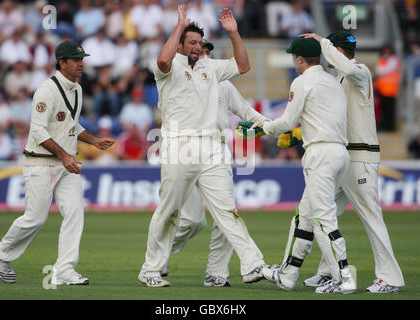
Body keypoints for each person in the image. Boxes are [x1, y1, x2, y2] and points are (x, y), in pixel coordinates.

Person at [138, 4, 267, 287]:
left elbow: (244, 66)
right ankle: (151, 269)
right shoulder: (169, 68)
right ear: (182, 44)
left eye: (200, 43)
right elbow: (162, 60)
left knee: (227, 211)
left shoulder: (212, 67)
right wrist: (179, 25)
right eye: (192, 42)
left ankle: (253, 265)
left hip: (212, 149)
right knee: (170, 210)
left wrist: (233, 33)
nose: (197, 47)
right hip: (179, 145)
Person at [0, 40, 116, 286]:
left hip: (66, 165)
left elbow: (71, 125)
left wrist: (94, 140)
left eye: (82, 59)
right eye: (76, 60)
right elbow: (38, 130)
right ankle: (1, 253)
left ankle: (64, 269)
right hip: (41, 163)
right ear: (62, 62)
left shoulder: (77, 89)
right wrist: (65, 155)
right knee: (35, 218)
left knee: (75, 213)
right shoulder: (46, 90)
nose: (81, 64)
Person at [296, 31, 405, 293]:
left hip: (362, 157)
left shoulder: (360, 72)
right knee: (326, 214)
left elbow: (345, 64)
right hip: (343, 157)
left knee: (370, 216)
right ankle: (327, 272)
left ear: (338, 51)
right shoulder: (339, 77)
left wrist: (323, 42)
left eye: (329, 52)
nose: (325, 58)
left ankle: (390, 278)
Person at [254, 37, 356, 294]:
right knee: (305, 216)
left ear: (299, 59)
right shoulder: (334, 82)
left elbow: (287, 121)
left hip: (320, 154)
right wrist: (300, 133)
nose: (293, 60)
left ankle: (343, 278)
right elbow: (322, 117)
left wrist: (263, 128)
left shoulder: (302, 82)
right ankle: (288, 274)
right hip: (340, 153)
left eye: (294, 57)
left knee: (322, 220)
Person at [164, 39, 270, 287]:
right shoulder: (180, 79)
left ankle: (216, 273)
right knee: (192, 220)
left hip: (216, 151)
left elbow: (246, 112)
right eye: (201, 52)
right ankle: (159, 257)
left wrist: (273, 127)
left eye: (208, 52)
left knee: (225, 215)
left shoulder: (224, 84)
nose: (204, 56)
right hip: (185, 151)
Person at [374, 44, 401, 131]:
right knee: (384, 110)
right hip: (382, 88)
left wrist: (382, 69)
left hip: (390, 89)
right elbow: (378, 70)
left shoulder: (393, 59)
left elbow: (383, 71)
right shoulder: (382, 60)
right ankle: (385, 125)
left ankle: (390, 126)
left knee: (390, 110)